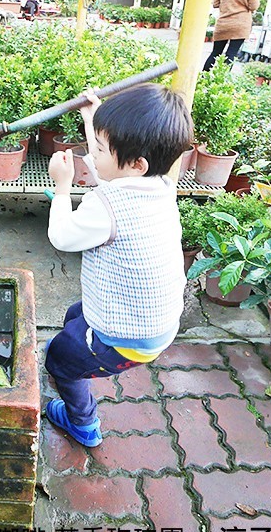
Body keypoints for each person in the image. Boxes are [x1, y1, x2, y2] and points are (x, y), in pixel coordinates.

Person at [44, 85, 192, 447]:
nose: (91, 156)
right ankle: (82, 346)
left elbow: (62, 237)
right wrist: (92, 117)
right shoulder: (159, 184)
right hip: (157, 322)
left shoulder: (104, 206)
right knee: (73, 314)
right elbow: (112, 172)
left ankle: (83, 422)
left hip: (127, 339)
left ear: (136, 164)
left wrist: (62, 189)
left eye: (97, 149)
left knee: (57, 360)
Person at [204, 0, 260, 70]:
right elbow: (254, 6)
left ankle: (202, 78)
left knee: (215, 53)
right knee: (231, 53)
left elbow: (215, 3)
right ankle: (221, 81)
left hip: (223, 23)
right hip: (241, 24)